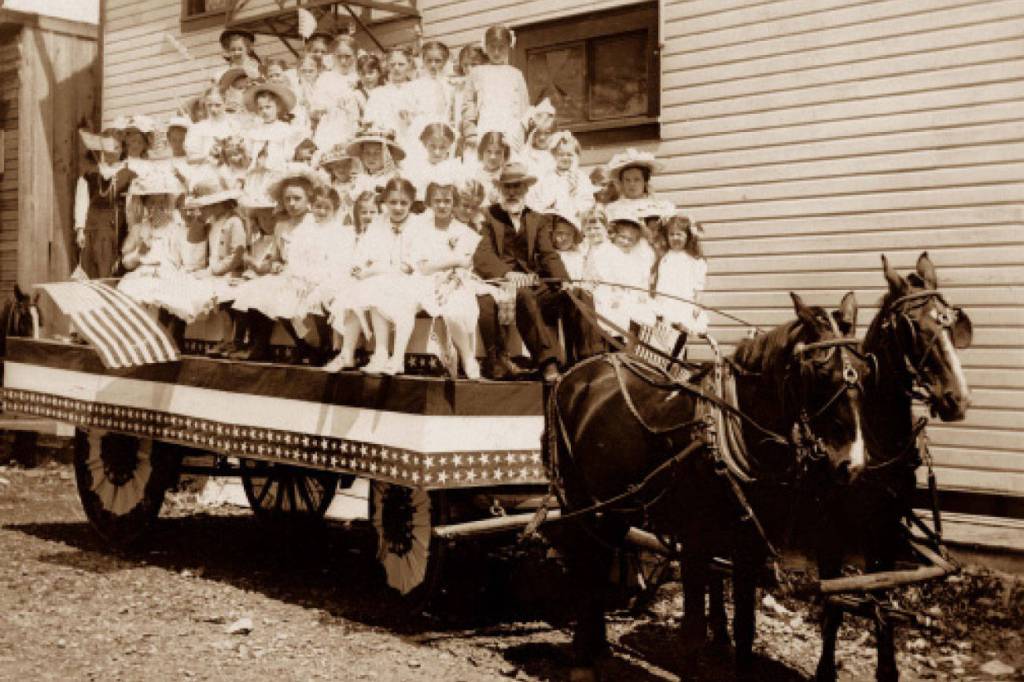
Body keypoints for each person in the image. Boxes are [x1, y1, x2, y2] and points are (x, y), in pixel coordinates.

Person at [472, 162, 602, 382]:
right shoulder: (488, 217)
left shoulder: (537, 219)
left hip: (534, 283)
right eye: (507, 187)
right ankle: (548, 363)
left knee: (579, 294)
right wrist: (508, 274)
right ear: (500, 189)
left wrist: (564, 281)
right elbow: (482, 255)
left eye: (517, 187)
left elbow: (548, 255)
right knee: (523, 295)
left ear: (526, 189)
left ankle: (590, 359)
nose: (512, 192)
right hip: (502, 285)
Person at [231, 164, 323, 362]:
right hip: (289, 275)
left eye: (297, 198)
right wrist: (276, 263)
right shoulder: (281, 225)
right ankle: (263, 345)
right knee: (253, 290)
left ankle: (310, 346)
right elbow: (277, 256)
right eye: (287, 199)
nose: (292, 203)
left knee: (283, 296)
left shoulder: (315, 223)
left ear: (309, 198)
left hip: (313, 275)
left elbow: (324, 255)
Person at [117, 167, 212, 347]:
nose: (155, 208)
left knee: (165, 294)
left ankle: (162, 339)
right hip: (143, 273)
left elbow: (186, 260)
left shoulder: (176, 228)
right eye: (151, 203)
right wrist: (139, 253)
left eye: (160, 203)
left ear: (167, 205)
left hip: (168, 273)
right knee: (134, 292)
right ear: (145, 205)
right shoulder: (139, 229)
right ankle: (141, 340)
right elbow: (126, 262)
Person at [344, 177, 426, 375]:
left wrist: (377, 270)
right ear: (385, 202)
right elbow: (365, 252)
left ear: (411, 202)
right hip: (383, 276)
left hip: (413, 277)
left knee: (404, 295)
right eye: (393, 202)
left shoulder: (419, 225)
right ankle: (380, 352)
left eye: (404, 203)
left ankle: (398, 358)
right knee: (372, 287)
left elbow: (412, 264)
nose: (398, 207)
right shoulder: (378, 222)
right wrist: (359, 266)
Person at [411, 176, 489, 379]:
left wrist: (449, 285)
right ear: (429, 203)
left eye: (447, 201)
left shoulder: (463, 232)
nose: (442, 205)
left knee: (455, 310)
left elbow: (465, 267)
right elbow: (423, 267)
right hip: (426, 280)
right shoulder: (421, 230)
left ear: (454, 202)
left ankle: (467, 357)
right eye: (437, 201)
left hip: (457, 282)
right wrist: (453, 260)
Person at [181, 181, 247, 358]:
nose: (205, 209)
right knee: (217, 303)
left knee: (226, 299)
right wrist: (199, 220)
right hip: (215, 271)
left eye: (209, 205)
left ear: (221, 203)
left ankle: (234, 340)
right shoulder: (212, 222)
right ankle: (226, 338)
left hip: (230, 272)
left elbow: (237, 252)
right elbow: (193, 239)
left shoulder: (234, 222)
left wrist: (217, 270)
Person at [461, 25, 529, 152]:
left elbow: (524, 106)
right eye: (492, 47)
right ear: (485, 47)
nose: (496, 52)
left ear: (509, 47)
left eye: (501, 47)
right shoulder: (477, 73)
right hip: (485, 127)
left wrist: (520, 131)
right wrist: (470, 131)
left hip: (511, 130)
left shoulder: (516, 74)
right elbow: (469, 103)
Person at [74, 130, 131, 279]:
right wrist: (80, 229)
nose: (111, 152)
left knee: (109, 270)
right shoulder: (90, 174)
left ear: (121, 149)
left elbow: (132, 206)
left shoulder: (128, 174)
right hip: (92, 227)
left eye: (115, 147)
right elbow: (82, 202)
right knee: (89, 269)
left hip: (114, 228)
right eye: (107, 147)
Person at [606, 148, 674, 258]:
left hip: (652, 256)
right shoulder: (612, 209)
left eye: (636, 179)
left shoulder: (660, 207)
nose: (632, 184)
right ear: (621, 182)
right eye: (627, 180)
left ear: (645, 182)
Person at [651, 213, 708, 337]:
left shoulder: (695, 260)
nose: (675, 238)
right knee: (662, 338)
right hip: (664, 303)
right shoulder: (664, 256)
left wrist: (697, 305)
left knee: (679, 337)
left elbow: (699, 287)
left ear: (688, 236)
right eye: (671, 234)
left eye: (679, 234)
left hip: (683, 304)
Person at [528, 131, 595, 214]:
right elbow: (537, 200)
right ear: (554, 155)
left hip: (573, 215)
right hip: (550, 215)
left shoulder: (581, 177)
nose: (565, 158)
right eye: (561, 154)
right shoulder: (546, 177)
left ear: (576, 156)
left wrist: (576, 207)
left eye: (569, 155)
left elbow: (587, 200)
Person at [184, 87, 236, 165]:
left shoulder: (234, 125)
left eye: (217, 105)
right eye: (209, 105)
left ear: (225, 103)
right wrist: (208, 155)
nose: (213, 109)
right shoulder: (198, 128)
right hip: (208, 170)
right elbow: (190, 159)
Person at [346, 127, 405, 194]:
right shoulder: (359, 179)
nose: (371, 157)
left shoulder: (392, 179)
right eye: (367, 152)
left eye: (377, 152)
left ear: (388, 155)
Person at [471, 131, 510, 206]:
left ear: (505, 154)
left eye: (498, 152)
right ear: (482, 152)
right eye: (488, 151)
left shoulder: (508, 176)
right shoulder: (475, 175)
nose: (493, 157)